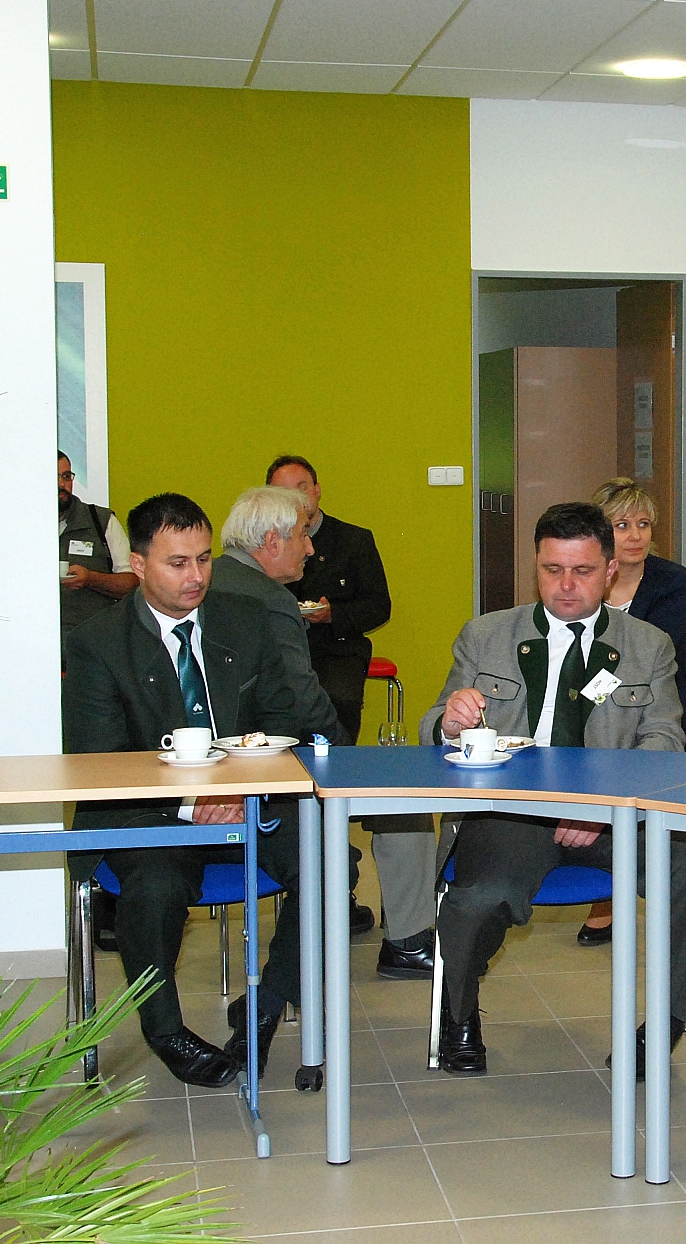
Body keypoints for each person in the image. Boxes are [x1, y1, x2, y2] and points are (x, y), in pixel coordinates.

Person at [419, 502, 686, 1077]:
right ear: (537, 566)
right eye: (552, 570)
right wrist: (449, 723)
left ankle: (667, 1021)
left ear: (610, 570)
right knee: (479, 897)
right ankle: (458, 1009)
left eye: (582, 571)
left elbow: (664, 740)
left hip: (614, 814)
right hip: (511, 813)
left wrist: (603, 809)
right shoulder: (487, 636)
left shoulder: (648, 645)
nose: (566, 585)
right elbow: (435, 727)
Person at [63, 494, 306, 1088]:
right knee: (156, 883)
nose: (195, 575)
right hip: (147, 813)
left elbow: (284, 719)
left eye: (203, 558)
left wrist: (241, 791)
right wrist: (192, 803)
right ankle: (165, 1031)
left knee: (326, 860)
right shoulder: (98, 641)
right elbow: (101, 761)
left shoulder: (245, 620)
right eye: (177, 563)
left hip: (249, 800)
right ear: (139, 565)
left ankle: (265, 1003)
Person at [212, 485, 437, 981]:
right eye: (302, 535)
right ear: (272, 542)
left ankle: (344, 892)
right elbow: (302, 697)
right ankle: (408, 941)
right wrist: (342, 750)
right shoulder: (270, 601)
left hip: (220, 771)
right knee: (407, 800)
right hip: (277, 767)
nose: (311, 547)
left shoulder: (211, 581)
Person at [573, 477, 686, 947]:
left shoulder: (677, 582)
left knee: (645, 791)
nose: (635, 535)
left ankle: (633, 894)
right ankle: (610, 889)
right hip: (602, 708)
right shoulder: (585, 575)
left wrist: (587, 699)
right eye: (621, 525)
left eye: (643, 524)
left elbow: (643, 654)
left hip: (668, 708)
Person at [265, 455, 390, 746]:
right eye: (284, 492)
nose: (297, 499)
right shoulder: (264, 545)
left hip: (338, 649)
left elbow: (379, 607)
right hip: (279, 648)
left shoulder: (353, 540)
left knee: (337, 699)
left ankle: (339, 760)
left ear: (317, 489)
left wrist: (334, 614)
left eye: (302, 488)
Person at [57, 451, 135, 647]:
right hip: (32, 644)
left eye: (66, 476)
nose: (61, 484)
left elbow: (132, 584)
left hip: (95, 645)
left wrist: (90, 579)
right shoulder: (19, 526)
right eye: (54, 477)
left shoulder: (101, 521)